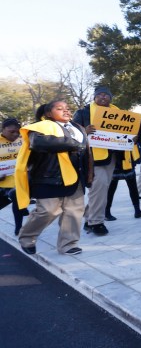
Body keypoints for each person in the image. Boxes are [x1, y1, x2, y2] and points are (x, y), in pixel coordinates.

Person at [15, 99, 88, 255]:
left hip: (75, 177)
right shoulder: (40, 127)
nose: (66, 111)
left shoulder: (78, 128)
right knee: (48, 211)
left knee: (74, 211)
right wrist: (73, 144)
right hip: (48, 177)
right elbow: (40, 143)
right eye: (60, 109)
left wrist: (89, 173)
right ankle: (27, 237)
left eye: (67, 108)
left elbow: (86, 152)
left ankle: (68, 244)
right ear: (48, 113)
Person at [73, 85, 131, 237]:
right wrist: (84, 132)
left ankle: (89, 218)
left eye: (107, 95)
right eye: (100, 95)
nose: (103, 97)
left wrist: (132, 138)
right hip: (92, 157)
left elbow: (126, 132)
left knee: (101, 188)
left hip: (112, 156)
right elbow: (71, 135)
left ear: (111, 98)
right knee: (99, 188)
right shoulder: (82, 112)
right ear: (94, 97)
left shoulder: (118, 113)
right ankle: (96, 223)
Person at [104, 143, 141, 221]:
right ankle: (106, 212)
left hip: (127, 159)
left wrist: (135, 140)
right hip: (115, 159)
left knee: (133, 187)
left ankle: (137, 210)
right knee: (111, 189)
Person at [0, 118, 26, 235]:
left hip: (20, 179)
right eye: (12, 132)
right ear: (3, 129)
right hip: (3, 182)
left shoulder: (23, 140)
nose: (15, 134)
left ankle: (18, 227)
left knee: (17, 201)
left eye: (17, 131)